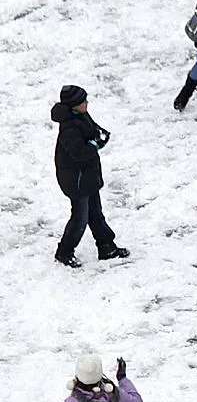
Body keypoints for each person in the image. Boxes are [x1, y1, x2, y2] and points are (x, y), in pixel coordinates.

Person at [51, 85, 129, 268]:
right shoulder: (69, 127)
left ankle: (106, 246)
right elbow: (79, 153)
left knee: (96, 214)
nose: (87, 103)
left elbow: (92, 130)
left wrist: (100, 136)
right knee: (80, 218)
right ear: (74, 106)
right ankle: (64, 252)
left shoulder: (81, 116)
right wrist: (95, 144)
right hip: (76, 181)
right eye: (83, 101)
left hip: (87, 176)